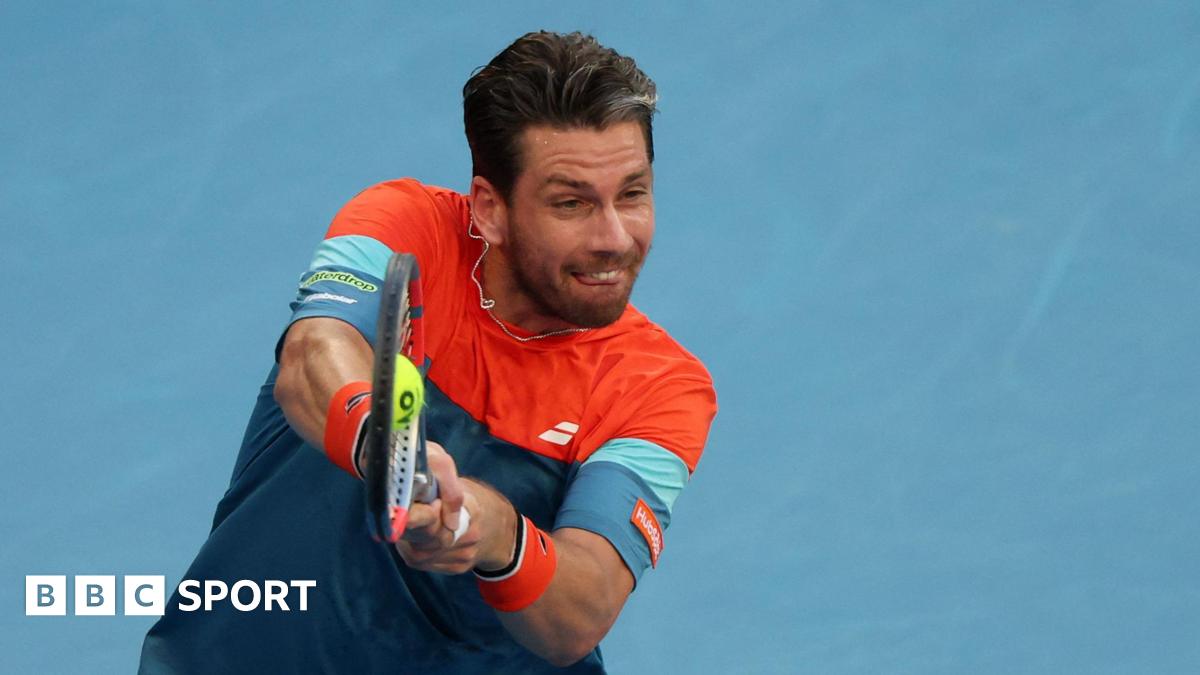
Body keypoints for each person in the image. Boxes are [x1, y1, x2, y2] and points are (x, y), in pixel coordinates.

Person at [139, 30, 716, 674]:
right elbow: (312, 356)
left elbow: (580, 612)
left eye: (632, 194)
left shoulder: (659, 386)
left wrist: (495, 531)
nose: (615, 238)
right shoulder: (407, 226)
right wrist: (385, 448)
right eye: (571, 203)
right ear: (490, 209)